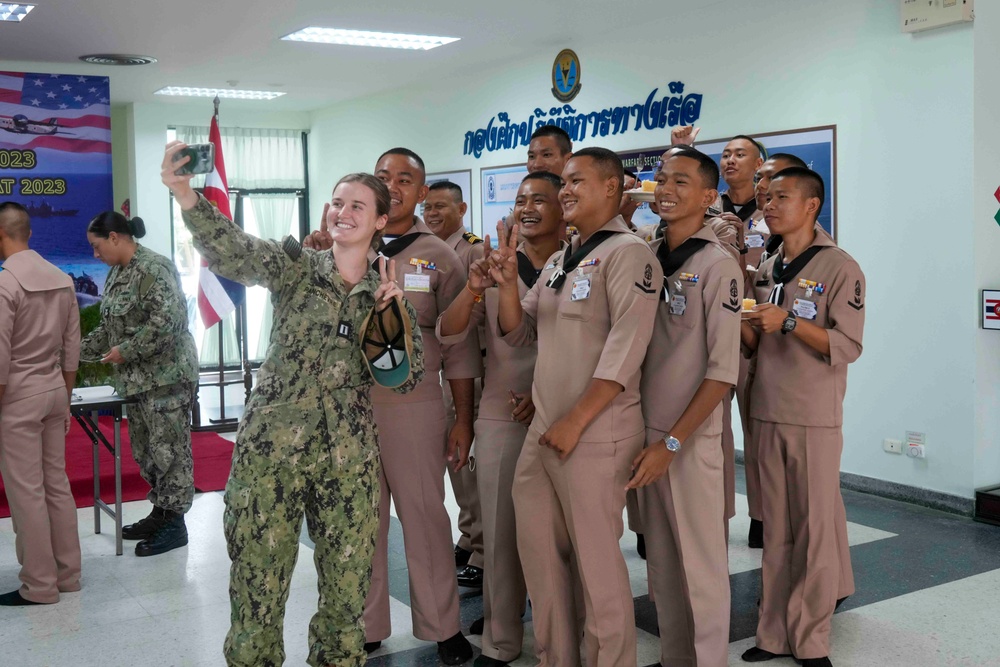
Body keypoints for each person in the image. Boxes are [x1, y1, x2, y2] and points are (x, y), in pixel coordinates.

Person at [162, 141, 424, 667]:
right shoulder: (295, 267)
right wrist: (185, 194)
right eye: (336, 203)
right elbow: (233, 248)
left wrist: (390, 322)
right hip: (270, 456)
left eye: (356, 206)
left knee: (346, 598)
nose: (342, 213)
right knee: (257, 583)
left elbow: (404, 382)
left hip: (346, 462)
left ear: (379, 221)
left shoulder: (387, 292)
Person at [306, 148, 479, 664]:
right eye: (383, 177)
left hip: (414, 404)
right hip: (350, 405)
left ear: (422, 193)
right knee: (362, 518)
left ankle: (444, 625)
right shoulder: (343, 247)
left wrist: (463, 419)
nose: (394, 185)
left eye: (406, 179)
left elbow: (460, 344)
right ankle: (368, 623)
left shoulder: (438, 256)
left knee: (424, 513)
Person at [490, 147, 661, 666]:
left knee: (596, 565)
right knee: (541, 559)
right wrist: (502, 285)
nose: (564, 191)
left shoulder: (630, 255)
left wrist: (576, 421)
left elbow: (625, 353)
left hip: (594, 433)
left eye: (575, 181)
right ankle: (554, 657)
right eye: (562, 182)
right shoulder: (566, 257)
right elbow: (519, 332)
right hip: (545, 431)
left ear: (611, 188)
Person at [438, 171, 566, 666]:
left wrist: (547, 394)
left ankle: (560, 638)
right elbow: (451, 335)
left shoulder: (576, 263)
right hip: (502, 410)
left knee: (558, 536)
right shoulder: (492, 261)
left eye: (541, 199)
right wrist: (474, 287)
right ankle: (501, 636)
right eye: (520, 200)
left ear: (565, 206)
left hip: (563, 409)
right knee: (499, 532)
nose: (527, 207)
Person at [741, 167, 864, 667]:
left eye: (781, 197)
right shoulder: (769, 265)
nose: (768, 206)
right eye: (766, 198)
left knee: (814, 533)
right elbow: (759, 342)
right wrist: (744, 326)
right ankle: (772, 634)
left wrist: (789, 321)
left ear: (811, 205)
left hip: (812, 416)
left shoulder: (840, 267)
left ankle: (811, 641)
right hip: (767, 410)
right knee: (776, 533)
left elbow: (848, 344)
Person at [627, 148, 740, 666]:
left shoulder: (717, 264)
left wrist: (672, 443)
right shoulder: (647, 253)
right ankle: (676, 657)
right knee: (664, 565)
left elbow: (722, 372)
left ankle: (709, 659)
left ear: (709, 196)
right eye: (660, 178)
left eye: (681, 181)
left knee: (701, 563)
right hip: (644, 433)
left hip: (687, 439)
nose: (665, 189)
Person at [80, 210, 198, 558]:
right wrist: (74, 350)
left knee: (170, 452)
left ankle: (175, 524)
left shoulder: (155, 268)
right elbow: (109, 328)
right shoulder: (117, 274)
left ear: (115, 237)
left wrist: (126, 350)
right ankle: (161, 513)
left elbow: (170, 322)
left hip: (168, 378)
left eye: (97, 246)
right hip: (138, 381)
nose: (95, 254)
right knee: (147, 452)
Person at [0, 201, 82, 606]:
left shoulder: (6, 283)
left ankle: (39, 586)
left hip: (17, 396)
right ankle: (68, 577)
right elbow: (72, 350)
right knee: (56, 485)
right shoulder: (63, 278)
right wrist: (64, 399)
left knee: (27, 492)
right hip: (54, 391)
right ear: (29, 233)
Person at [740, 152, 808, 548]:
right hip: (765, 380)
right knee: (773, 486)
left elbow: (847, 343)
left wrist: (786, 322)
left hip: (803, 397)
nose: (764, 193)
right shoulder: (770, 257)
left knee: (810, 501)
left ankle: (823, 590)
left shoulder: (828, 259)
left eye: (775, 186)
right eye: (761, 185)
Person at [424, 180, 487, 588]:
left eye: (441, 206)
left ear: (461, 208)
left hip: (472, 371)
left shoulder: (474, 249)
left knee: (470, 464)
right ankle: (468, 535)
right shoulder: (424, 251)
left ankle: (482, 550)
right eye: (428, 207)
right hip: (443, 372)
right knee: (456, 463)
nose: (432, 213)